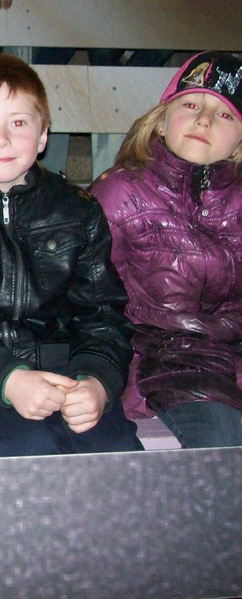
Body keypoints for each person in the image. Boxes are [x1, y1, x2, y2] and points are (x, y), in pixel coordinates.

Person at [0, 54, 143, 458]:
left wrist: (97, 380)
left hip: (67, 370)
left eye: (18, 123)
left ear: (42, 137)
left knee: (114, 452)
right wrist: (7, 378)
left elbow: (103, 312)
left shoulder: (77, 210)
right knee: (28, 448)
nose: (1, 139)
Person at [91, 52, 242, 449]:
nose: (204, 120)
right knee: (223, 446)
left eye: (224, 114)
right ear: (160, 120)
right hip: (164, 358)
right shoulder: (120, 193)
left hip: (230, 355)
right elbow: (90, 298)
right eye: (191, 105)